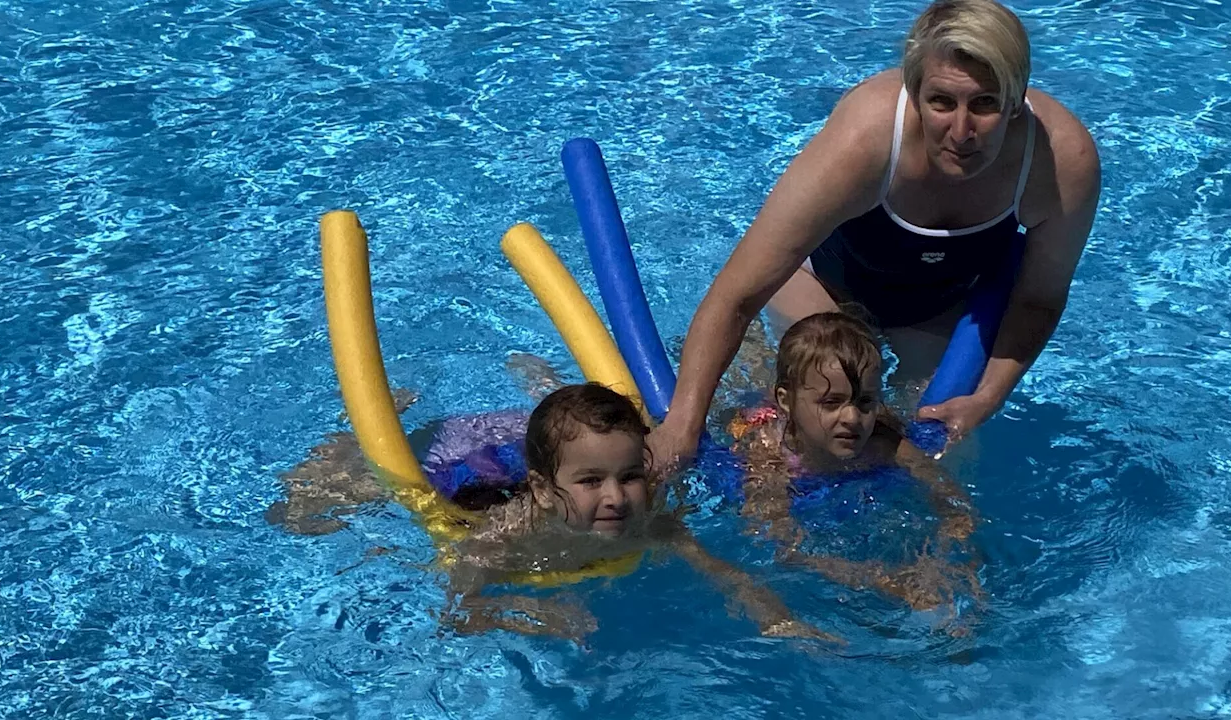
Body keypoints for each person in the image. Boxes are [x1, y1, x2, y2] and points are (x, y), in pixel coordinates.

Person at [650, 0, 1101, 470]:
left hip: (937, 305)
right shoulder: (865, 142)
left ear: (1016, 98)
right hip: (824, 285)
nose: (961, 131)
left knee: (946, 455)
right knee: (799, 435)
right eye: (942, 102)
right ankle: (759, 358)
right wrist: (682, 425)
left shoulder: (1059, 162)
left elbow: (1040, 297)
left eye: (985, 103)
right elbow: (737, 294)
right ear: (915, 91)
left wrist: (986, 398)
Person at [272, 375, 838, 645]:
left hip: (544, 458)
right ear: (545, 491)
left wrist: (775, 617)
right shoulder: (513, 530)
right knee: (312, 509)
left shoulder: (649, 521)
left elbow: (724, 573)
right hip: (473, 476)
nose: (616, 497)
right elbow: (455, 603)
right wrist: (523, 610)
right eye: (593, 482)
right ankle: (357, 434)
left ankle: (552, 392)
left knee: (580, 440)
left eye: (630, 477)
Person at [726, 312, 980, 616]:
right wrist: (887, 582)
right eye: (831, 403)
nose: (852, 419)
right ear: (786, 401)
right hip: (761, 418)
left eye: (865, 402)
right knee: (748, 378)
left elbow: (950, 498)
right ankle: (751, 337)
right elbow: (782, 548)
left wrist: (949, 553)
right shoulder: (769, 456)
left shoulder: (881, 443)